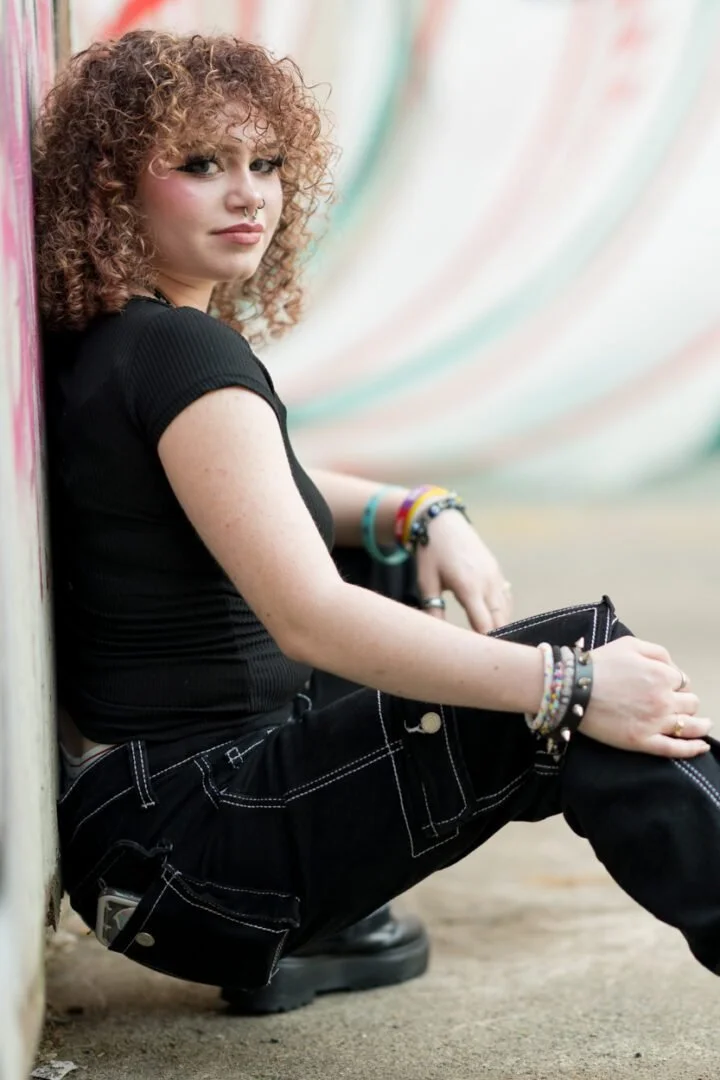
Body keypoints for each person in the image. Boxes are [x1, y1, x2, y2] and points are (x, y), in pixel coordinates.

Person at [36, 31, 720, 1030]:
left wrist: (418, 510)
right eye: (200, 165)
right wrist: (564, 687)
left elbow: (278, 491)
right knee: (589, 680)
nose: (249, 195)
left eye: (264, 164)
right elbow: (309, 619)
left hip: (144, 843)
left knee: (492, 620)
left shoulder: (119, 344)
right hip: (194, 843)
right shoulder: (183, 354)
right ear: (111, 187)